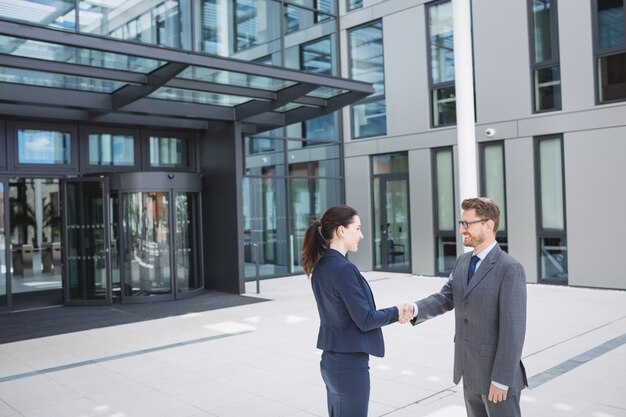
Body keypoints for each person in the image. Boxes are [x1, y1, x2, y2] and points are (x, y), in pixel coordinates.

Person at [405, 197, 528, 417]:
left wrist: (501, 379)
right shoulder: (463, 262)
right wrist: (415, 309)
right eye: (461, 223)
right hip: (469, 372)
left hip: (497, 378)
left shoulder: (509, 269)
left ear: (488, 225)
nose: (462, 230)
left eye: (467, 224)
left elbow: (513, 331)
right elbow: (445, 297)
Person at [301, 204, 409, 417]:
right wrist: (397, 312)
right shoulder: (343, 269)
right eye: (357, 228)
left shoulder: (321, 266)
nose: (361, 235)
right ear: (341, 231)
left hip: (332, 361)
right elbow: (366, 319)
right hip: (349, 365)